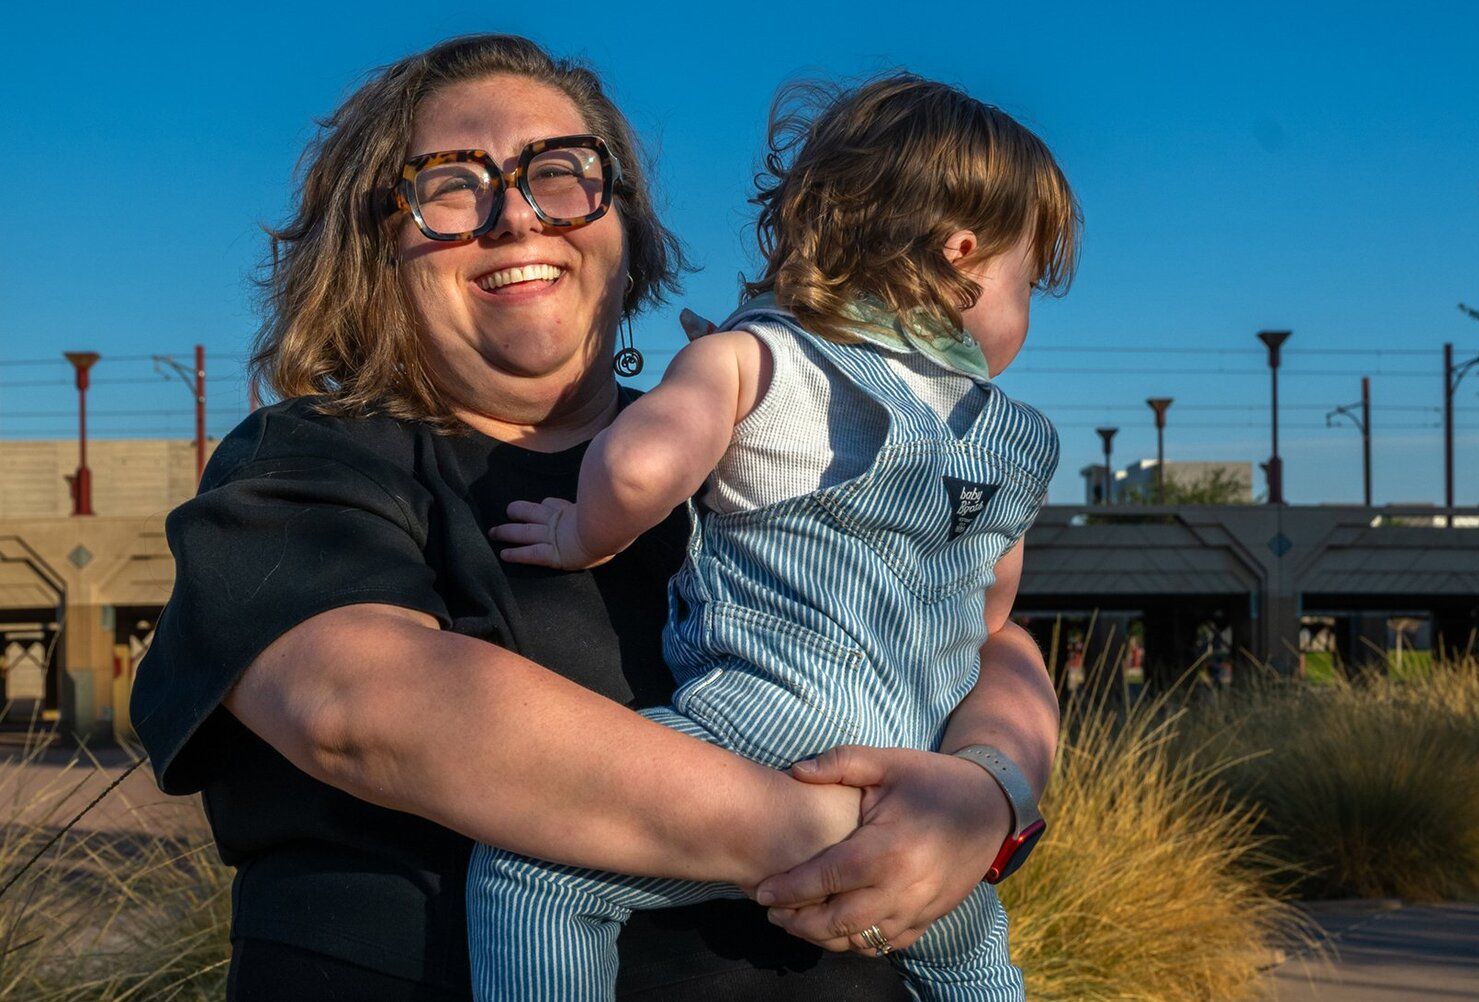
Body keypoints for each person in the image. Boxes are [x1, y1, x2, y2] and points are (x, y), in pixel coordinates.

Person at [129, 34, 1062, 1001]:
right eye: (452, 185)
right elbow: (361, 709)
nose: (516, 218)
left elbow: (988, 637)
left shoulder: (732, 437)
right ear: (371, 247)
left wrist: (988, 794)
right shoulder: (309, 462)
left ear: (624, 227)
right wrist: (845, 839)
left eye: (561, 175)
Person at [467, 75, 1077, 1001]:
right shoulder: (1019, 440)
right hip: (919, 782)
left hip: (768, 738)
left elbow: (635, 473)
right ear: (963, 257)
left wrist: (581, 532)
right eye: (1024, 281)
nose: (1023, 313)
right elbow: (991, 613)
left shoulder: (758, 357)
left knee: (532, 873)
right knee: (971, 957)